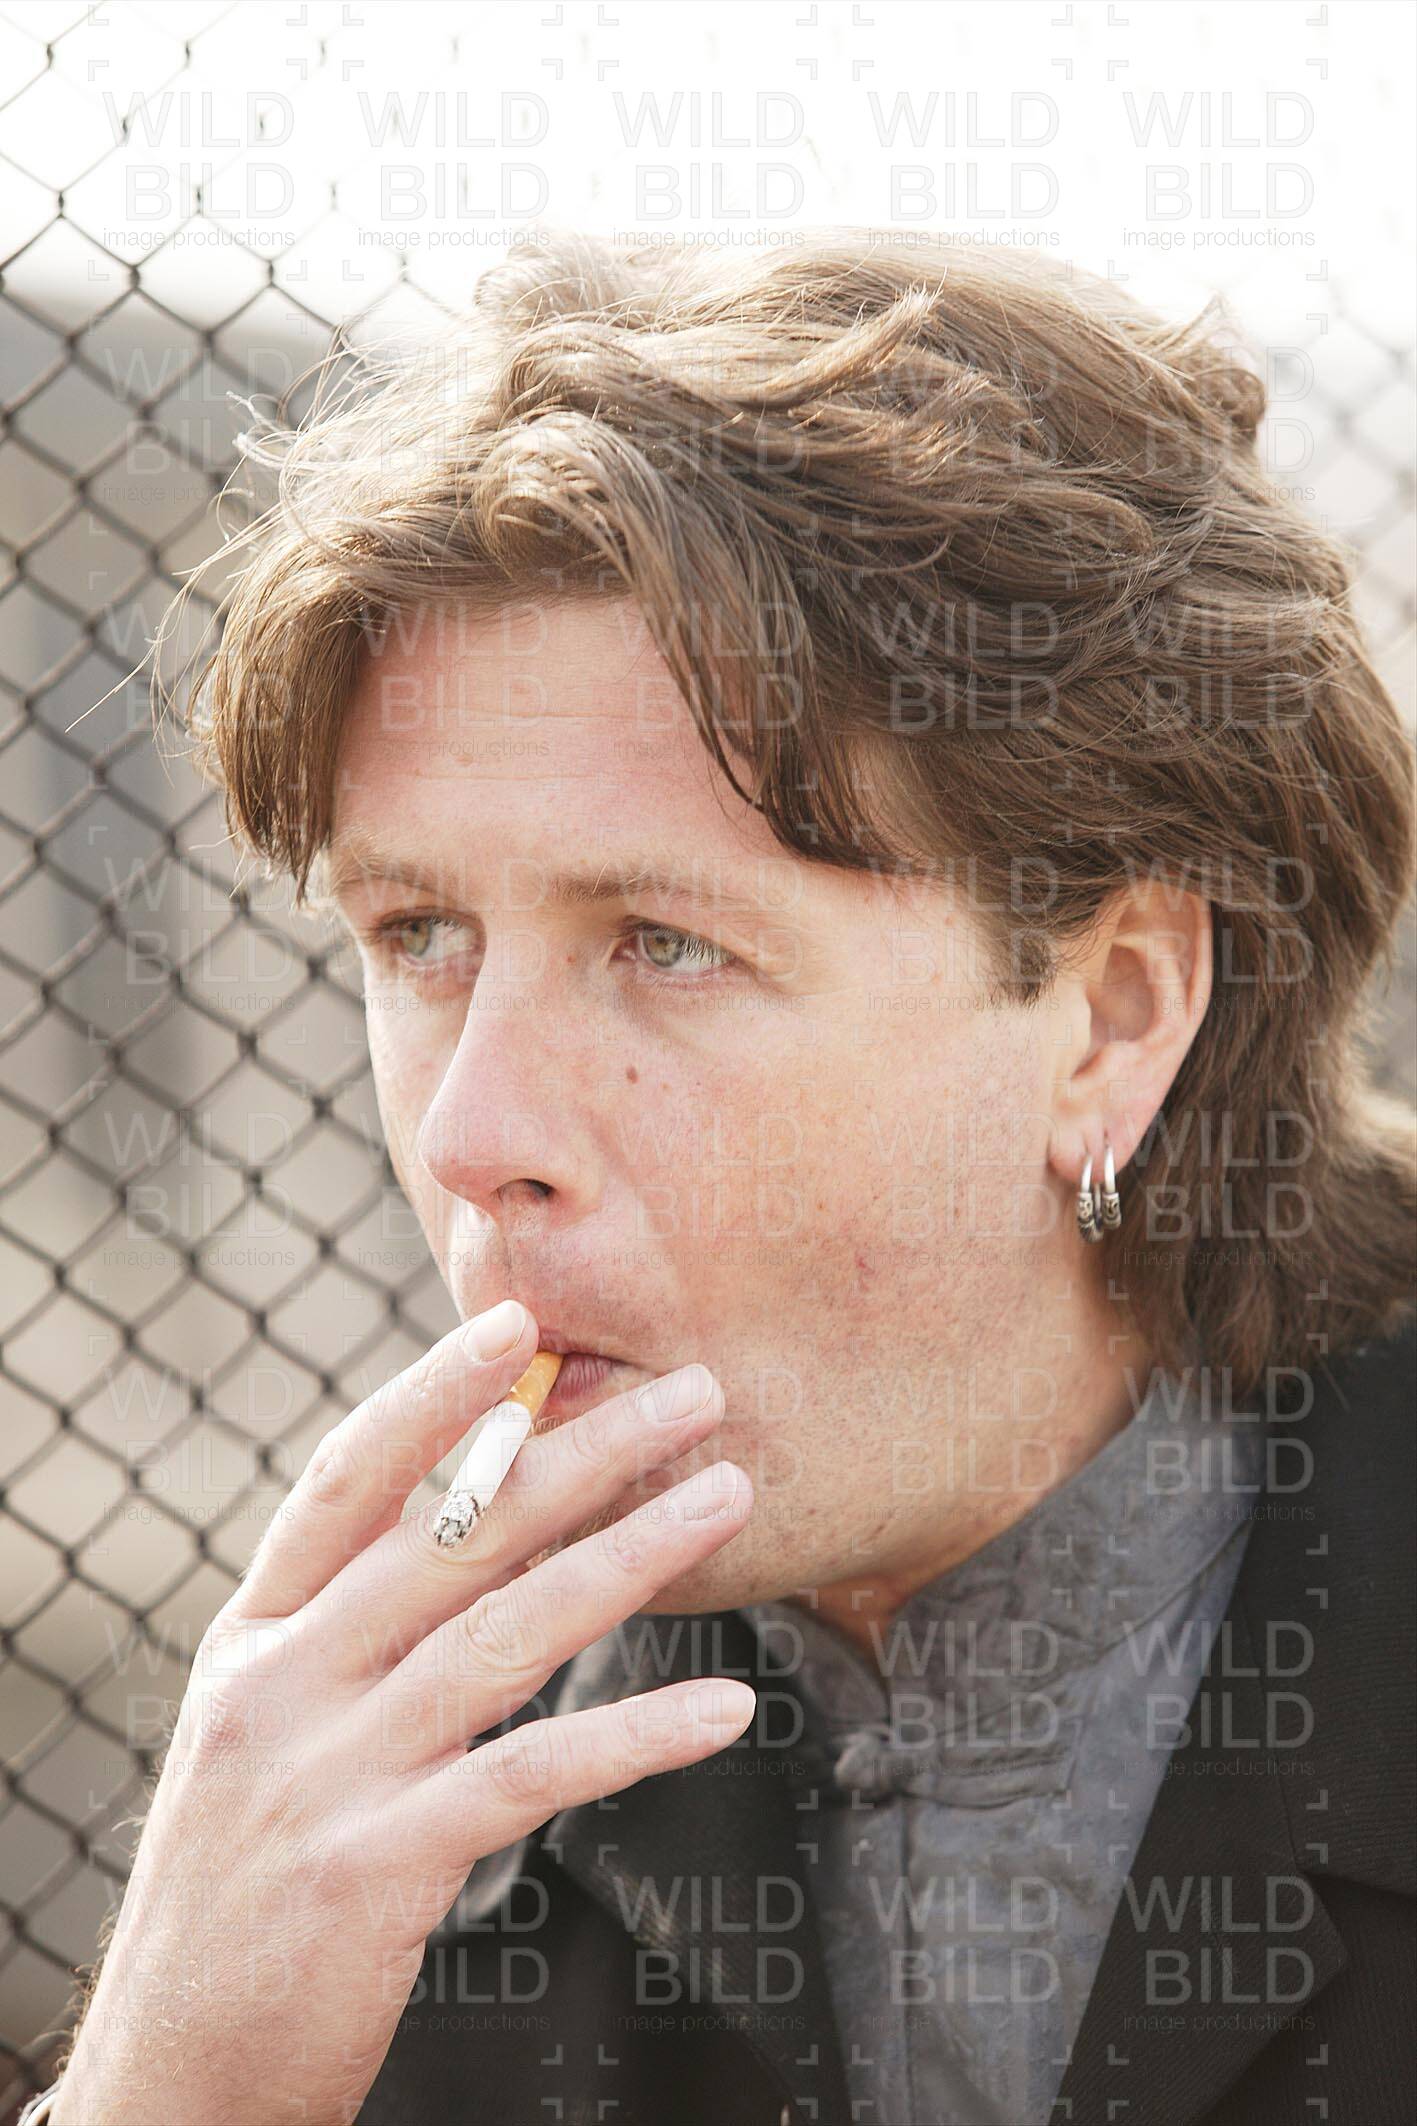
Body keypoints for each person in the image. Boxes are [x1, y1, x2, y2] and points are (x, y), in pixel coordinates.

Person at [36, 234, 1415, 2126]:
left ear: (1109, 1015)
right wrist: (164, 2085)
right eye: (418, 933)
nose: (471, 1132)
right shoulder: (360, 1850)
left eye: (665, 944)